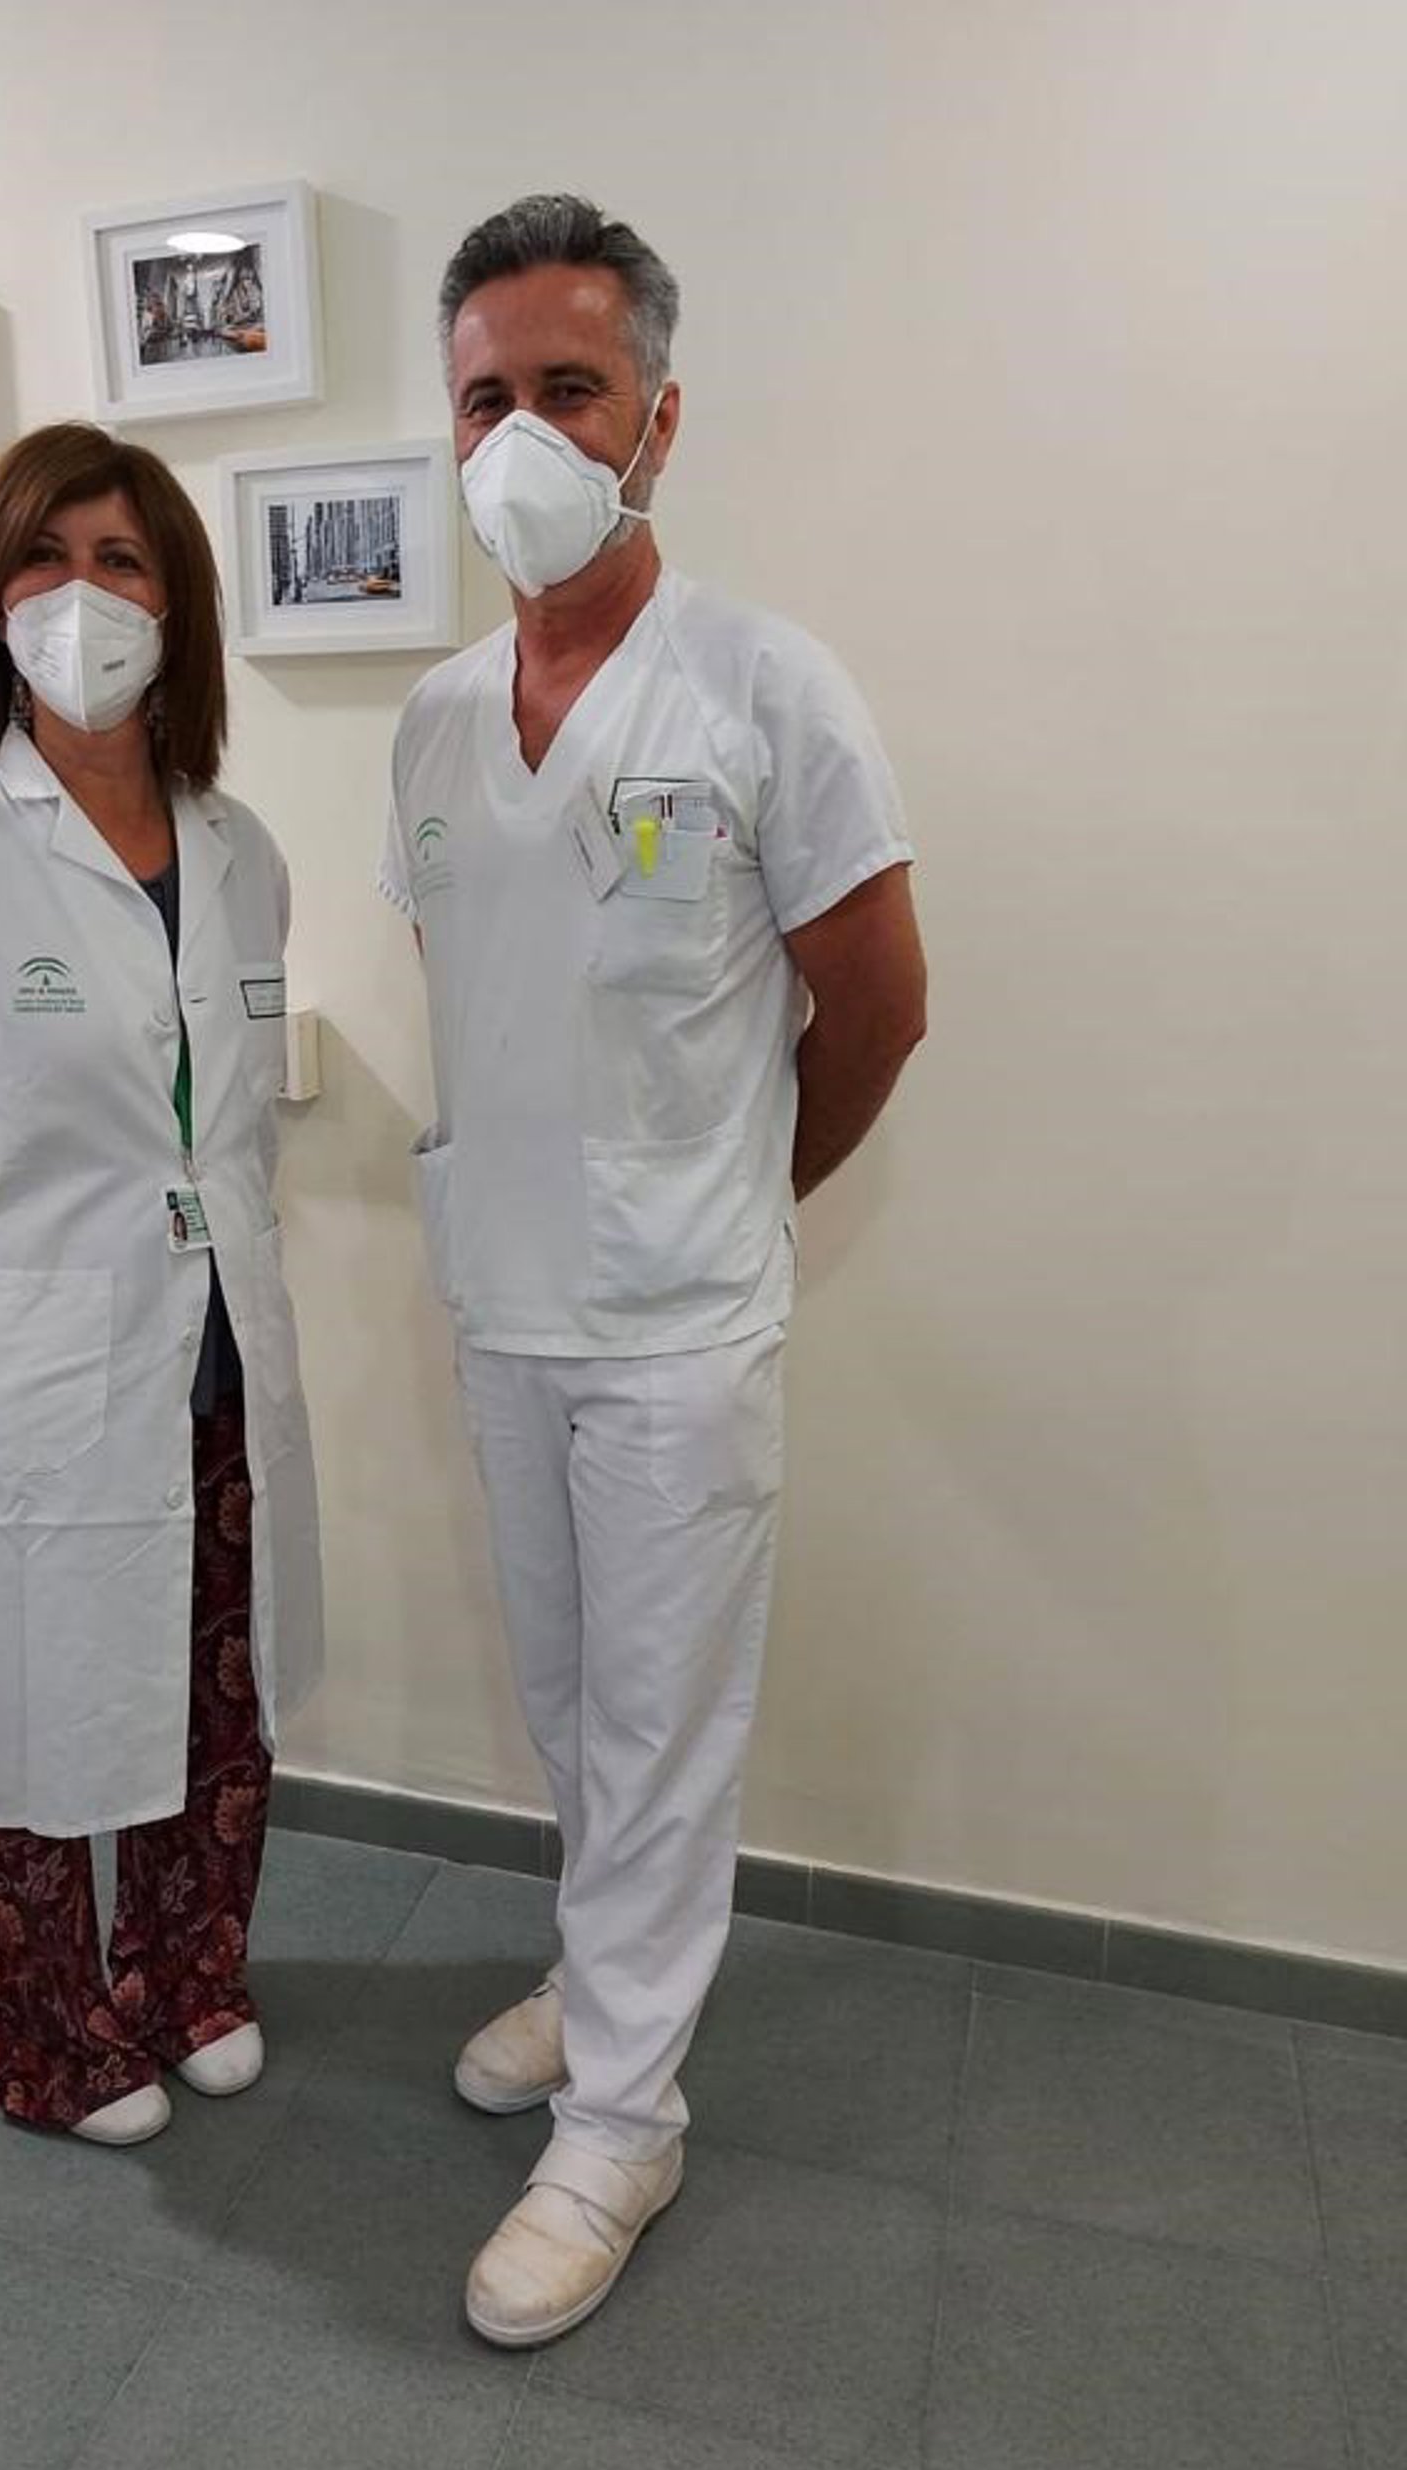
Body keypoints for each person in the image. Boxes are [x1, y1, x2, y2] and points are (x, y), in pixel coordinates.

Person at [380, 197, 926, 2343]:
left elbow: (877, 1004)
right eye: (484, 399)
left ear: (658, 423)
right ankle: (602, 1980)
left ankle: (623, 2122)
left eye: (569, 391)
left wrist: (736, 1200)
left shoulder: (766, 686)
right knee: (566, 1698)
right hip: (505, 1300)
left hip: (683, 1320)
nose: (521, 435)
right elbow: (487, 988)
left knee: (665, 1721)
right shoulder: (435, 723)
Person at [0, 422, 322, 2147]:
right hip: (27, 1366)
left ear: (176, 611)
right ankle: (47, 2038)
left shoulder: (239, 849)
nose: (80, 595)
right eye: (45, 555)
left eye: (122, 561)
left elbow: (226, 1119)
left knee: (213, 1683)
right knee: (33, 1703)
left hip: (214, 1345)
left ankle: (186, 1977)